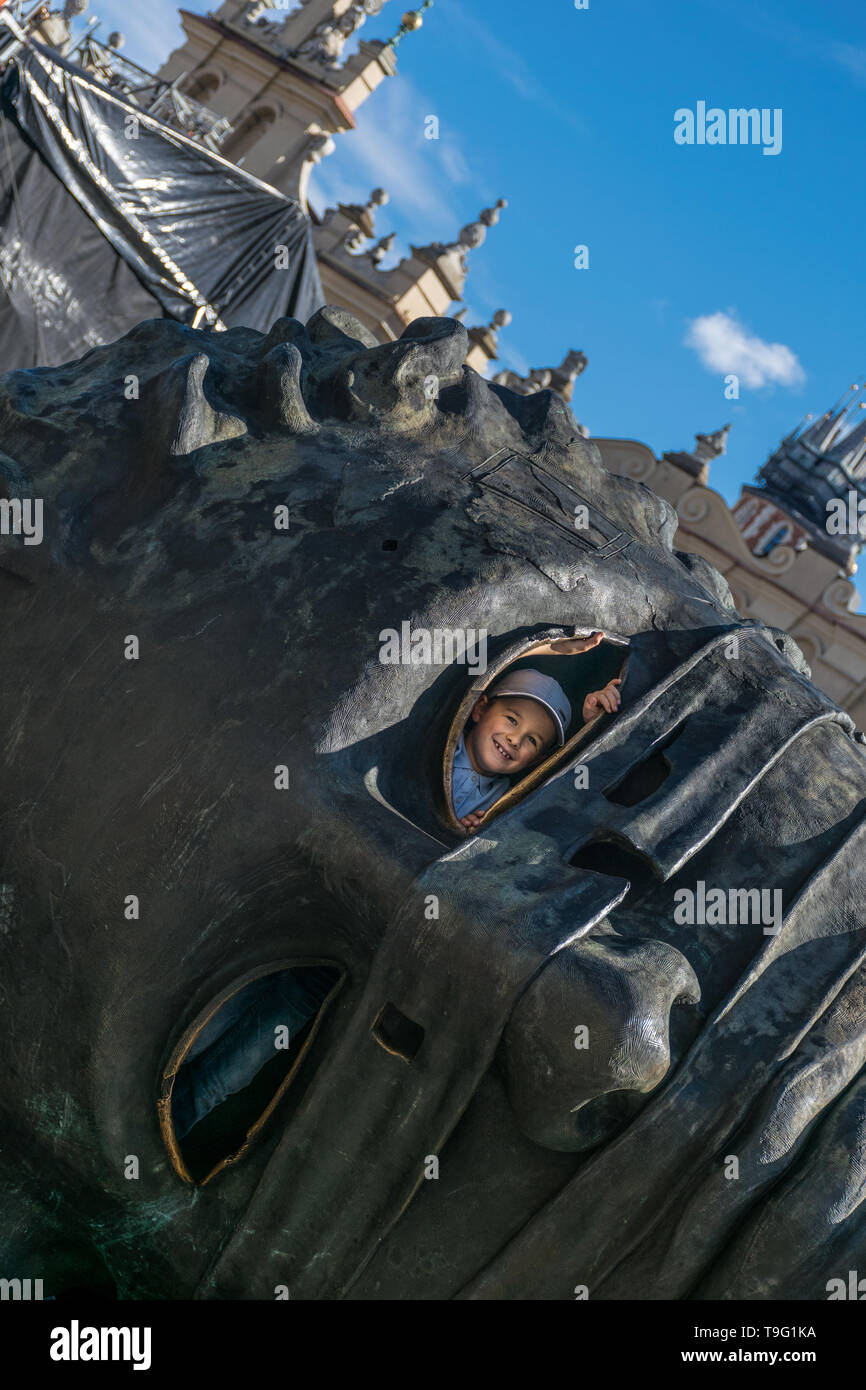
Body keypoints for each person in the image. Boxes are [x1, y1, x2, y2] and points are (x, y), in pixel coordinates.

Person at [452, 631, 623, 832]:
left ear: (534, 760)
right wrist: (556, 648)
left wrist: (594, 728)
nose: (515, 739)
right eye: (512, 719)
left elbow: (577, 796)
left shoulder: (503, 803)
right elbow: (475, 657)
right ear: (480, 709)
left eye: (533, 740)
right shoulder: (440, 739)